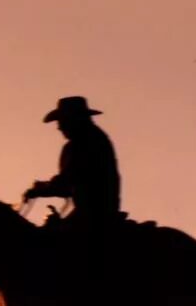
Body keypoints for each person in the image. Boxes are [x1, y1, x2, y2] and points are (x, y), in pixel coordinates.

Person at [22, 96, 122, 226]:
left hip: (94, 214)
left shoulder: (86, 142)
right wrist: (47, 187)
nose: (59, 127)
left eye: (62, 121)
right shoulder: (94, 138)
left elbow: (68, 181)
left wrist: (41, 190)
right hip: (96, 210)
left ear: (73, 119)